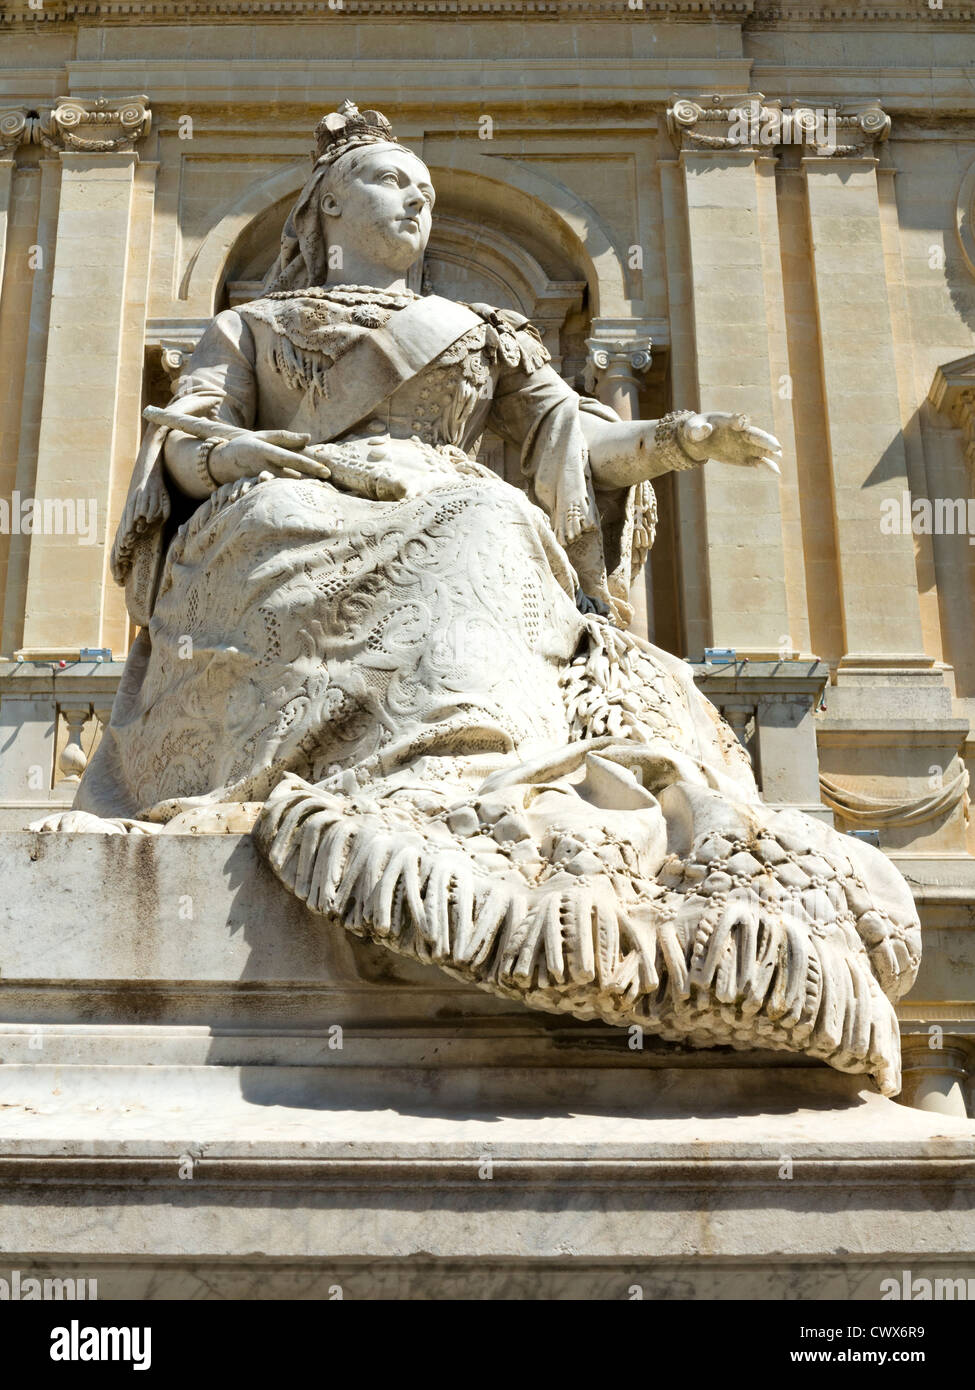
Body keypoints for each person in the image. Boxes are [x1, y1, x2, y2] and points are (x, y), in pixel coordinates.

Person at [44, 102, 920, 1095]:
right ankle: (432, 774)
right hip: (283, 511)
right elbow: (184, 441)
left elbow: (571, 446)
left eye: (423, 183)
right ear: (329, 205)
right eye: (387, 180)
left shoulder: (486, 332)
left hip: (453, 510)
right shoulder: (251, 325)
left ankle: (473, 769)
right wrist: (238, 455)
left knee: (492, 522)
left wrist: (676, 440)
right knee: (452, 522)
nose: (415, 193)